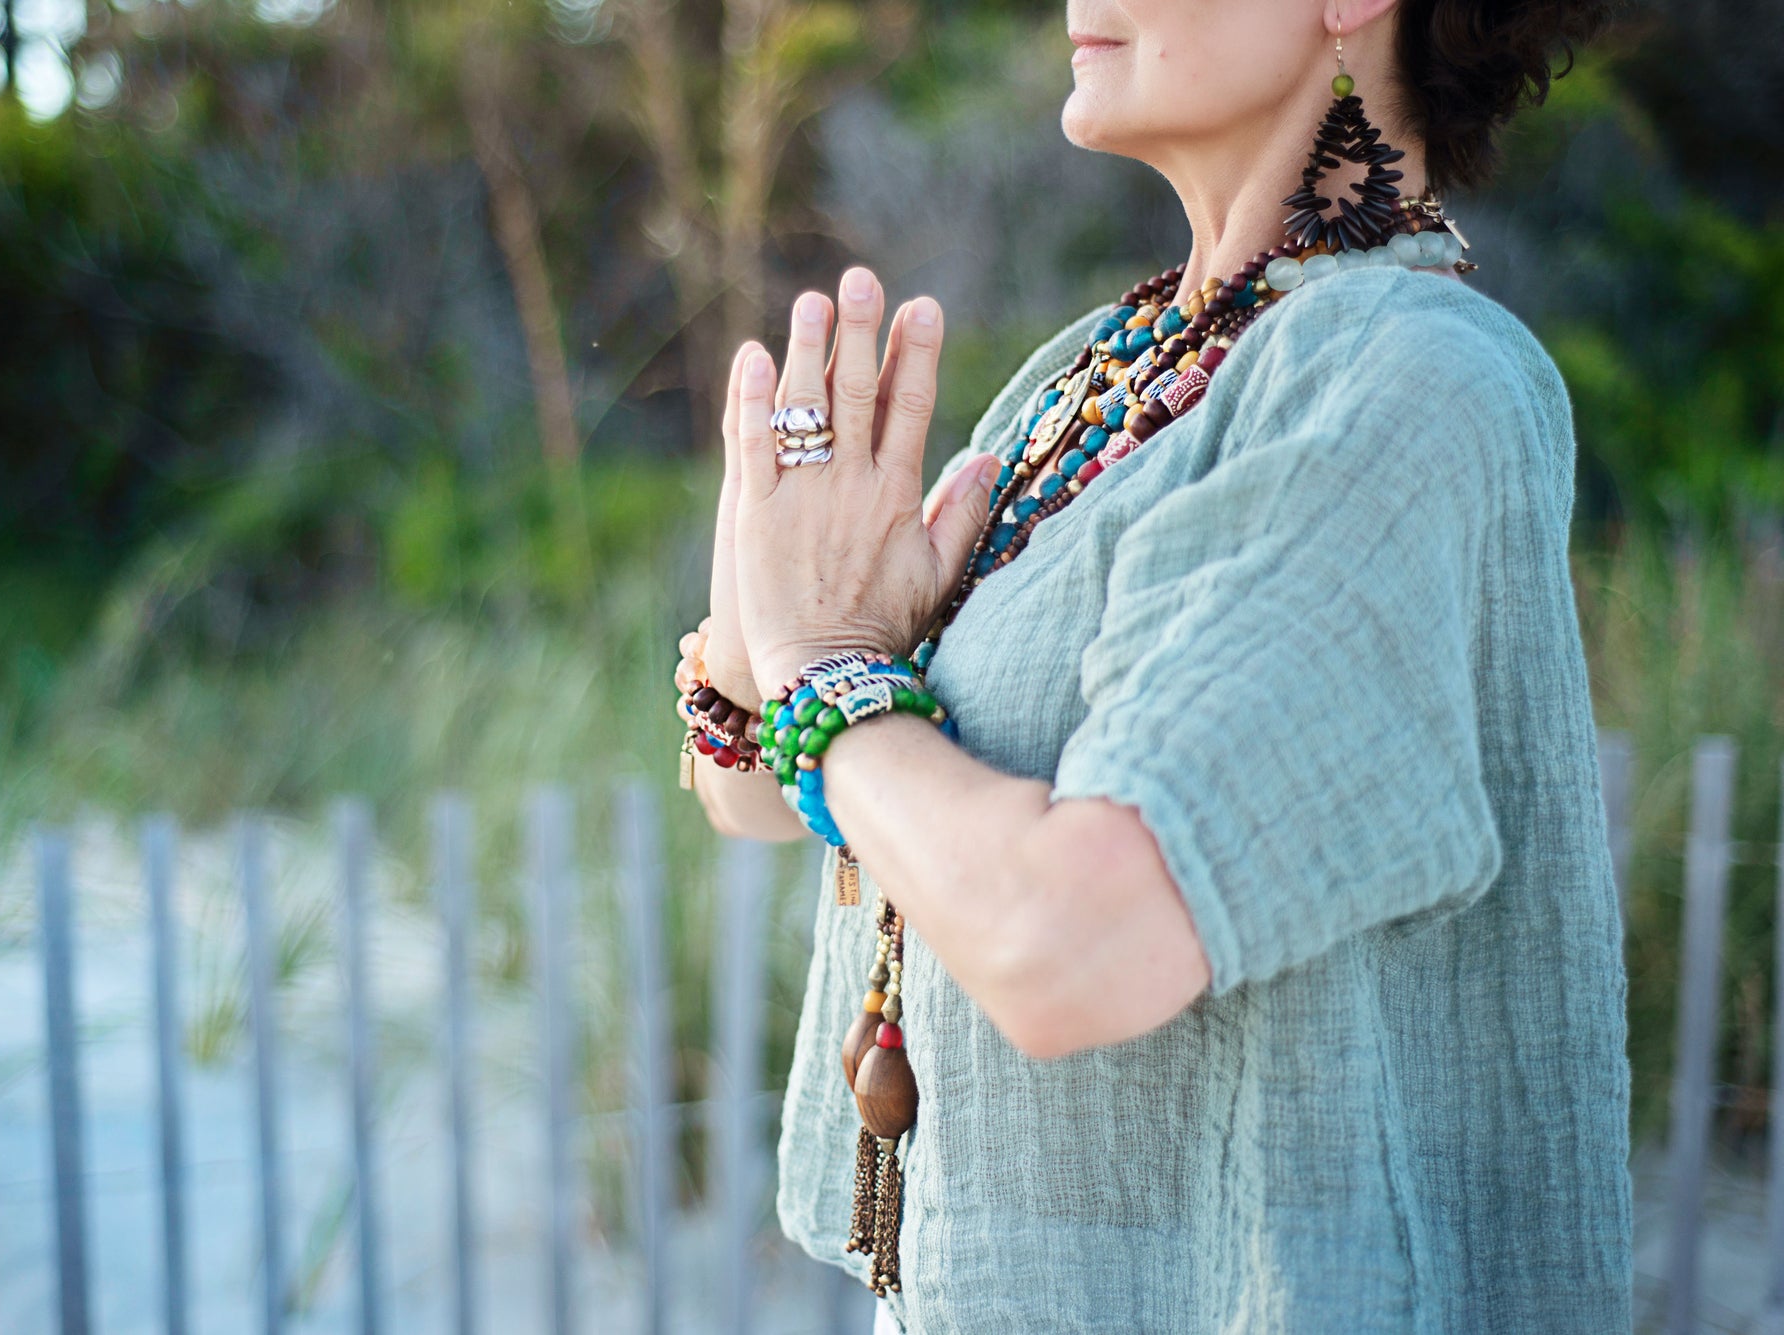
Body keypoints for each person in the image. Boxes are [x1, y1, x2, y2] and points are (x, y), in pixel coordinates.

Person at [672, 0, 1629, 1329]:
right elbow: (771, 797)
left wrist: (821, 665)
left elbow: (1074, 944)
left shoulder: (1409, 385)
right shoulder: (1097, 375)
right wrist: (774, 610)